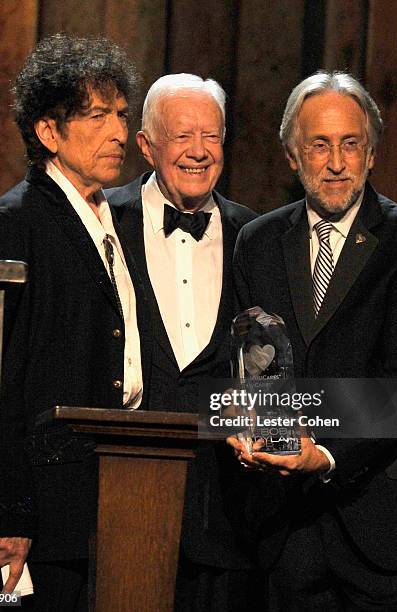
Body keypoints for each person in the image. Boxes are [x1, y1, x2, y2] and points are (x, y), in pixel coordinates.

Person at [230, 71, 397, 610]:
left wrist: (324, 453)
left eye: (351, 145)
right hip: (286, 530)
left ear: (371, 153)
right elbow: (255, 365)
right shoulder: (257, 243)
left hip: (388, 526)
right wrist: (248, 428)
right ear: (291, 155)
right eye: (319, 145)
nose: (336, 163)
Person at [0, 34, 148, 610]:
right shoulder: (16, 221)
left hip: (97, 495)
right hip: (34, 512)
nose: (119, 132)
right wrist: (8, 511)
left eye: (122, 114)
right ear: (49, 132)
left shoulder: (105, 213)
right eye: (97, 117)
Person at [106, 74, 258, 611]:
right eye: (181, 137)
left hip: (228, 519)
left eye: (211, 136)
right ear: (147, 146)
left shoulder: (256, 237)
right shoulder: (101, 223)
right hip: (122, 504)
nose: (199, 152)